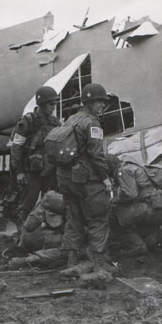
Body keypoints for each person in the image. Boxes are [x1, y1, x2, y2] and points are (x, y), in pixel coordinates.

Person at [55, 83, 114, 272]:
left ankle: (71, 260)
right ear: (89, 102)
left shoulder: (69, 120)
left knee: (74, 217)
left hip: (65, 177)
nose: (103, 106)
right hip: (85, 178)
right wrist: (105, 178)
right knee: (98, 216)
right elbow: (96, 155)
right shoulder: (91, 123)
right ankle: (99, 263)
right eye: (100, 102)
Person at [10, 86, 61, 223]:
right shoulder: (27, 122)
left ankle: (44, 233)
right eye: (51, 104)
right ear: (42, 104)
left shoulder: (55, 122)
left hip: (49, 170)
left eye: (55, 104)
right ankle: (21, 234)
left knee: (50, 202)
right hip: (31, 171)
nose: (53, 108)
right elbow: (16, 148)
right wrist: (19, 172)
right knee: (28, 202)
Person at [107, 154, 162, 257]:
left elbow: (130, 194)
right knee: (131, 214)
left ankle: (136, 246)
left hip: (150, 208)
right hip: (161, 207)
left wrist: (114, 200)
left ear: (111, 166)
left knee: (115, 214)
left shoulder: (123, 171)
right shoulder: (134, 166)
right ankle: (155, 240)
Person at [8, 190, 67, 269]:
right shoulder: (54, 205)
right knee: (69, 247)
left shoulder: (45, 202)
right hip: (36, 240)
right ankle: (33, 259)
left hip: (27, 240)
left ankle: (32, 259)